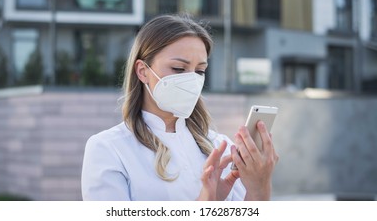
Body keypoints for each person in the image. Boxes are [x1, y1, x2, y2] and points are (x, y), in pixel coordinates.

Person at [81, 14, 279, 201]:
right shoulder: (108, 148)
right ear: (142, 71)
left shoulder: (219, 147)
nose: (191, 80)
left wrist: (259, 188)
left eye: (200, 71)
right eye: (178, 69)